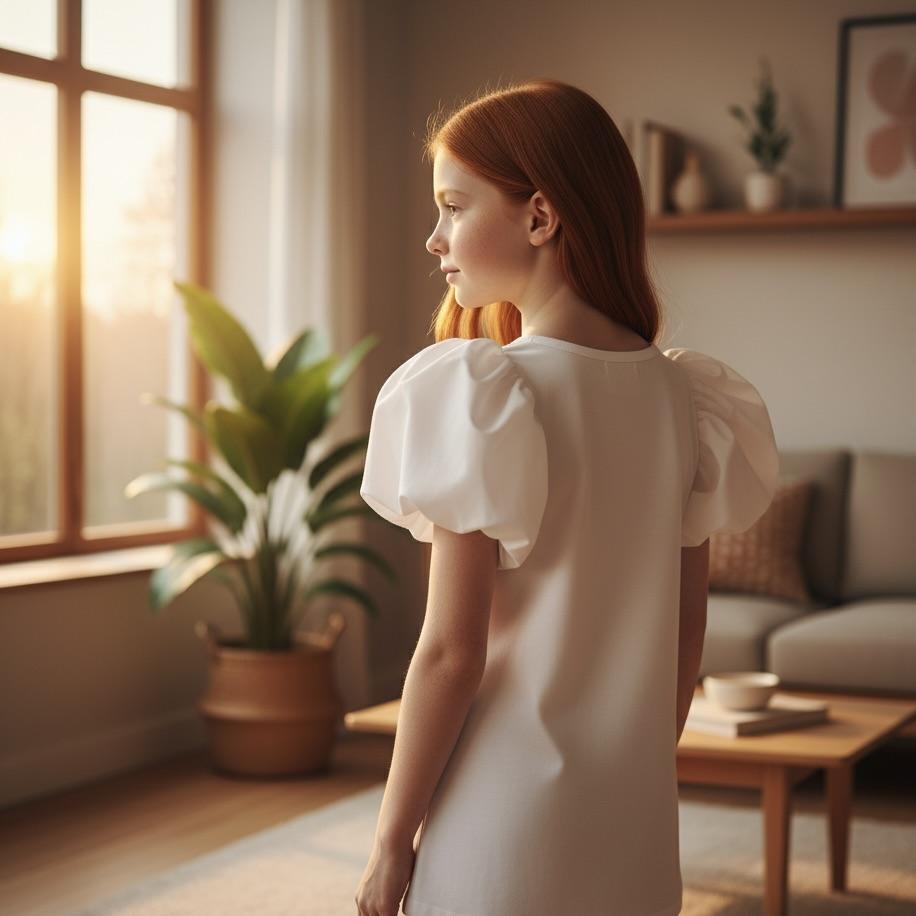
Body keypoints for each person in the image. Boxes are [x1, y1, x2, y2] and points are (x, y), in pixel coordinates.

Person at [354, 78, 779, 916]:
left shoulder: (484, 394)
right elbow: (685, 636)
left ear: (540, 217)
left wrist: (389, 844)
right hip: (631, 822)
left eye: (452, 206)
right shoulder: (689, 403)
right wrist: (631, 775)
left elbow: (451, 652)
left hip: (501, 820)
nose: (434, 237)